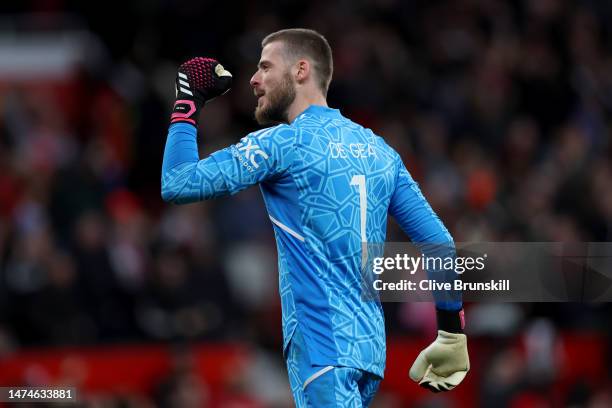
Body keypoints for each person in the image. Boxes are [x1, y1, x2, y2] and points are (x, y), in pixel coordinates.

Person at [161, 28, 469, 407]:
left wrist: (187, 101)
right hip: (368, 352)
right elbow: (439, 244)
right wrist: (451, 333)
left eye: (265, 67)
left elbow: (178, 183)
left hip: (322, 348)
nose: (254, 80)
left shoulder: (283, 143)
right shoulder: (380, 151)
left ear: (301, 70)